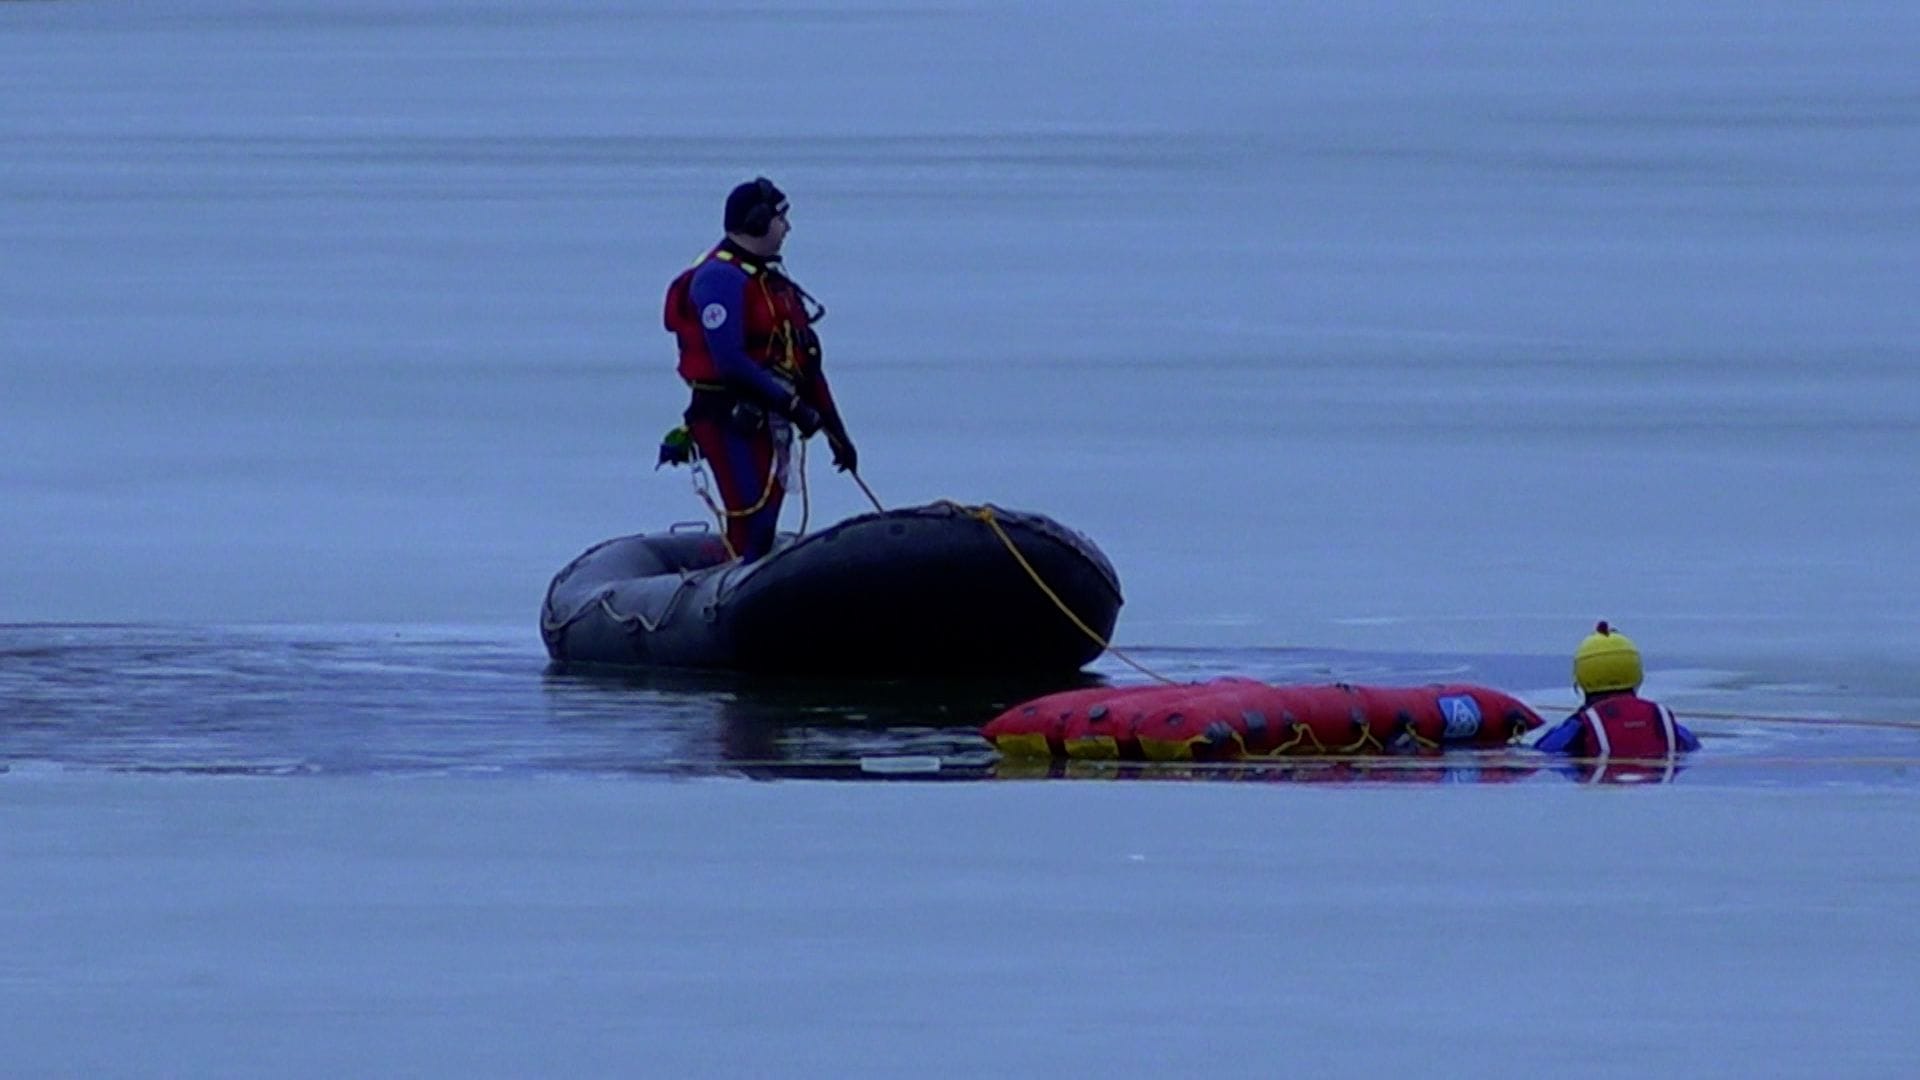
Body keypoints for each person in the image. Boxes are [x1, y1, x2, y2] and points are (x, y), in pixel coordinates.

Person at [662, 177, 857, 561]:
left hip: (772, 418)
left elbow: (807, 365)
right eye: (781, 219)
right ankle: (726, 601)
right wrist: (795, 408)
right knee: (751, 520)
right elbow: (730, 361)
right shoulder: (720, 279)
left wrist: (838, 434)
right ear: (757, 221)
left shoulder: (772, 283)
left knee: (765, 521)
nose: (788, 228)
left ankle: (749, 582)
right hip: (729, 418)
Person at [1529, 621, 1700, 771]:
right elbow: (1693, 746)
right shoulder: (1662, 721)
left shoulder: (1580, 726)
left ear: (1580, 676)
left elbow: (1544, 751)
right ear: (1637, 673)